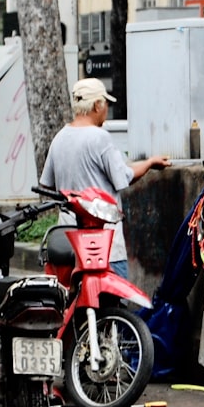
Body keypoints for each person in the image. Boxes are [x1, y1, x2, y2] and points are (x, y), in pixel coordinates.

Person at [39, 78, 171, 278]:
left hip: (67, 240)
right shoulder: (99, 138)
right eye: (106, 103)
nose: (107, 109)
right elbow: (124, 177)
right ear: (97, 105)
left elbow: (46, 183)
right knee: (113, 305)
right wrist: (150, 162)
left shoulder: (60, 137)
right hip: (102, 244)